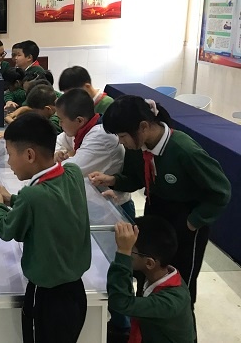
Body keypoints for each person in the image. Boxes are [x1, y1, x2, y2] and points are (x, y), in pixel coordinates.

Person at [89, 95, 231, 310]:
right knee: (145, 270)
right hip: (155, 211)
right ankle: (143, 324)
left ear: (143, 127)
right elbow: (136, 179)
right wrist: (113, 180)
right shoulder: (138, 148)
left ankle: (181, 322)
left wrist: (193, 221)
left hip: (186, 220)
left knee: (179, 280)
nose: (120, 142)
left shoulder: (184, 149)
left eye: (123, 135)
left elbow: (221, 191)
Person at [0, 114, 91, 343]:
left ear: (30, 155)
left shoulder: (32, 196)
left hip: (46, 298)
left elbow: (7, 229)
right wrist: (12, 199)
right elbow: (50, 205)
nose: (9, 162)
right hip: (76, 292)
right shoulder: (72, 173)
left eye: (10, 154)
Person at [108, 217, 195, 343]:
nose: (127, 253)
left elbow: (121, 303)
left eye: (130, 251)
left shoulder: (170, 302)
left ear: (149, 263)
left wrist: (123, 252)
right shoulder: (157, 273)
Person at [53, 89, 132, 217]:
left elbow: (70, 170)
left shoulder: (101, 137)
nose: (60, 124)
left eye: (61, 120)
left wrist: (62, 157)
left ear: (79, 120)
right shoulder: (82, 127)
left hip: (115, 208)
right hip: (97, 201)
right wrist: (59, 152)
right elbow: (57, 142)